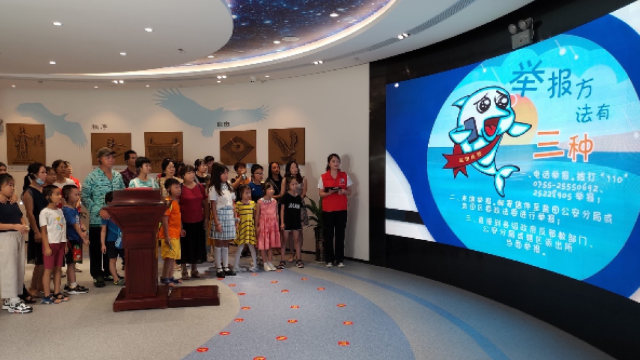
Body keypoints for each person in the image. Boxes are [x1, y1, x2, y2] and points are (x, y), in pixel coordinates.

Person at [81, 147, 125, 288]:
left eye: (112, 157)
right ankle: (97, 274)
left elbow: (123, 194)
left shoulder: (118, 176)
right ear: (100, 159)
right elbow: (85, 197)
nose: (111, 159)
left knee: (110, 247)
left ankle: (108, 272)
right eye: (107, 157)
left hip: (115, 220)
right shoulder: (92, 177)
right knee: (97, 248)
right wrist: (99, 210)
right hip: (97, 220)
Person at [0, 173, 33, 313]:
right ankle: (12, 299)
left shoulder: (11, 202)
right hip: (5, 238)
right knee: (9, 269)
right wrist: (14, 227)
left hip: (17, 236)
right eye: (9, 185)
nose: (12, 188)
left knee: (18, 267)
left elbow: (20, 217)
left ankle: (11, 299)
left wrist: (23, 226)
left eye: (13, 185)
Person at [318, 153, 352, 268]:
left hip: (341, 209)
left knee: (340, 235)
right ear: (329, 163)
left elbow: (350, 191)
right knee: (328, 235)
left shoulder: (344, 175)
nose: (336, 163)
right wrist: (329, 192)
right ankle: (329, 260)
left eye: (337, 161)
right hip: (327, 210)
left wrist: (344, 192)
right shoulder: (323, 176)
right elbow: (321, 194)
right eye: (333, 161)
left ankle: (339, 259)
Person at [39, 185, 69, 304]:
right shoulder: (44, 212)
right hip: (50, 244)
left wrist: (65, 244)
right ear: (48, 196)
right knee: (48, 270)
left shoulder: (60, 211)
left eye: (60, 194)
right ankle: (47, 296)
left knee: (58, 269)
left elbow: (63, 228)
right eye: (56, 194)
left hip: (60, 243)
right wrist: (46, 246)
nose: (59, 196)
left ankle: (57, 292)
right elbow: (44, 231)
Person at [22, 162, 48, 297]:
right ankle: (33, 288)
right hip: (38, 229)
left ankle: (42, 286)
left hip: (47, 228)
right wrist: (36, 231)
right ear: (33, 175)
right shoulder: (28, 192)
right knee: (40, 261)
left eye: (45, 172)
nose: (45, 175)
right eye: (42, 172)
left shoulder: (44, 190)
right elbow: (30, 214)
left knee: (46, 260)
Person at [178, 165, 208, 279]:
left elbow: (205, 204)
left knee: (197, 245)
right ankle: (184, 269)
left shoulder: (200, 186)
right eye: (188, 173)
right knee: (185, 246)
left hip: (198, 220)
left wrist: (206, 219)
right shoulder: (180, 187)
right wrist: (180, 224)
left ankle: (194, 269)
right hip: (185, 221)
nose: (191, 175)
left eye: (192, 172)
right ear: (183, 176)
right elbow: (177, 207)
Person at [209, 163, 236, 278]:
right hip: (220, 216)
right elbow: (213, 207)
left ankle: (225, 266)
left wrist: (235, 217)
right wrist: (217, 222)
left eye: (227, 173)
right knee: (219, 242)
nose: (226, 175)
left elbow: (233, 202)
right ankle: (219, 267)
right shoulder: (213, 188)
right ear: (218, 174)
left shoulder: (229, 185)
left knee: (226, 243)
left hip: (229, 215)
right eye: (224, 173)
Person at [61, 185, 89, 294]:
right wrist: (84, 238)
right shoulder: (67, 210)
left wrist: (83, 226)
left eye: (79, 194)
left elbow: (78, 222)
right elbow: (75, 226)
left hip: (76, 239)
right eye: (75, 194)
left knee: (73, 262)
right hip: (71, 240)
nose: (78, 197)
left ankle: (70, 283)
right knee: (71, 263)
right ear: (67, 195)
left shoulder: (74, 209)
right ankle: (72, 285)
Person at [280, 160, 308, 262]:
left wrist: (296, 198)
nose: (294, 169)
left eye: (296, 167)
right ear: (288, 169)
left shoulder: (303, 179)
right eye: (292, 167)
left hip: (299, 204)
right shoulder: (285, 180)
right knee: (290, 233)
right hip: (288, 206)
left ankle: (298, 253)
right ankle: (291, 253)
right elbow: (282, 193)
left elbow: (304, 193)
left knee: (299, 231)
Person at [159, 178, 184, 285]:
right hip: (169, 234)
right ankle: (165, 278)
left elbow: (178, 218)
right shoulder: (168, 202)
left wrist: (181, 229)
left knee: (172, 257)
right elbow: (164, 219)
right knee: (169, 258)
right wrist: (167, 236)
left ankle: (170, 276)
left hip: (175, 233)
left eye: (179, 187)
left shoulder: (175, 202)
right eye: (176, 187)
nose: (179, 190)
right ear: (169, 189)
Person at [100, 192, 124, 286]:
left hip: (123, 239)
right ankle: (115, 278)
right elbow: (103, 230)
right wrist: (103, 244)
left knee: (126, 259)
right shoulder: (105, 214)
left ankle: (129, 277)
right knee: (112, 260)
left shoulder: (122, 211)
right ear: (108, 202)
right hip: (111, 241)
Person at [279, 176, 304, 269]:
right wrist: (282, 222)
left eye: (296, 184)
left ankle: (299, 259)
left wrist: (301, 220)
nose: (294, 186)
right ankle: (282, 260)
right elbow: (282, 209)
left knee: (297, 240)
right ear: (288, 185)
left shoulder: (298, 197)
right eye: (292, 184)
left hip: (296, 221)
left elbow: (300, 210)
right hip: (287, 221)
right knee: (284, 241)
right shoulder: (285, 196)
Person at [256, 183, 280, 271]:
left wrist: (277, 224)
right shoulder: (260, 202)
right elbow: (257, 215)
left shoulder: (274, 201)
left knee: (271, 245)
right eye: (269, 189)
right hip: (263, 225)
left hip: (272, 226)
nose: (272, 190)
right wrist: (257, 226)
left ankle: (270, 261)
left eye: (272, 189)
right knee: (263, 245)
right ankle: (265, 262)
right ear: (264, 191)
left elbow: (276, 214)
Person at [234, 185, 258, 272]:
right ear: (241, 194)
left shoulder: (253, 203)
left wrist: (255, 227)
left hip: (250, 229)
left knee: (252, 247)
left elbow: (255, 217)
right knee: (240, 247)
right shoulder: (238, 204)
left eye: (249, 193)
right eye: (246, 193)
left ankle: (255, 265)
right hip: (242, 229)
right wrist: (236, 225)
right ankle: (236, 266)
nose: (248, 195)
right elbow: (235, 216)